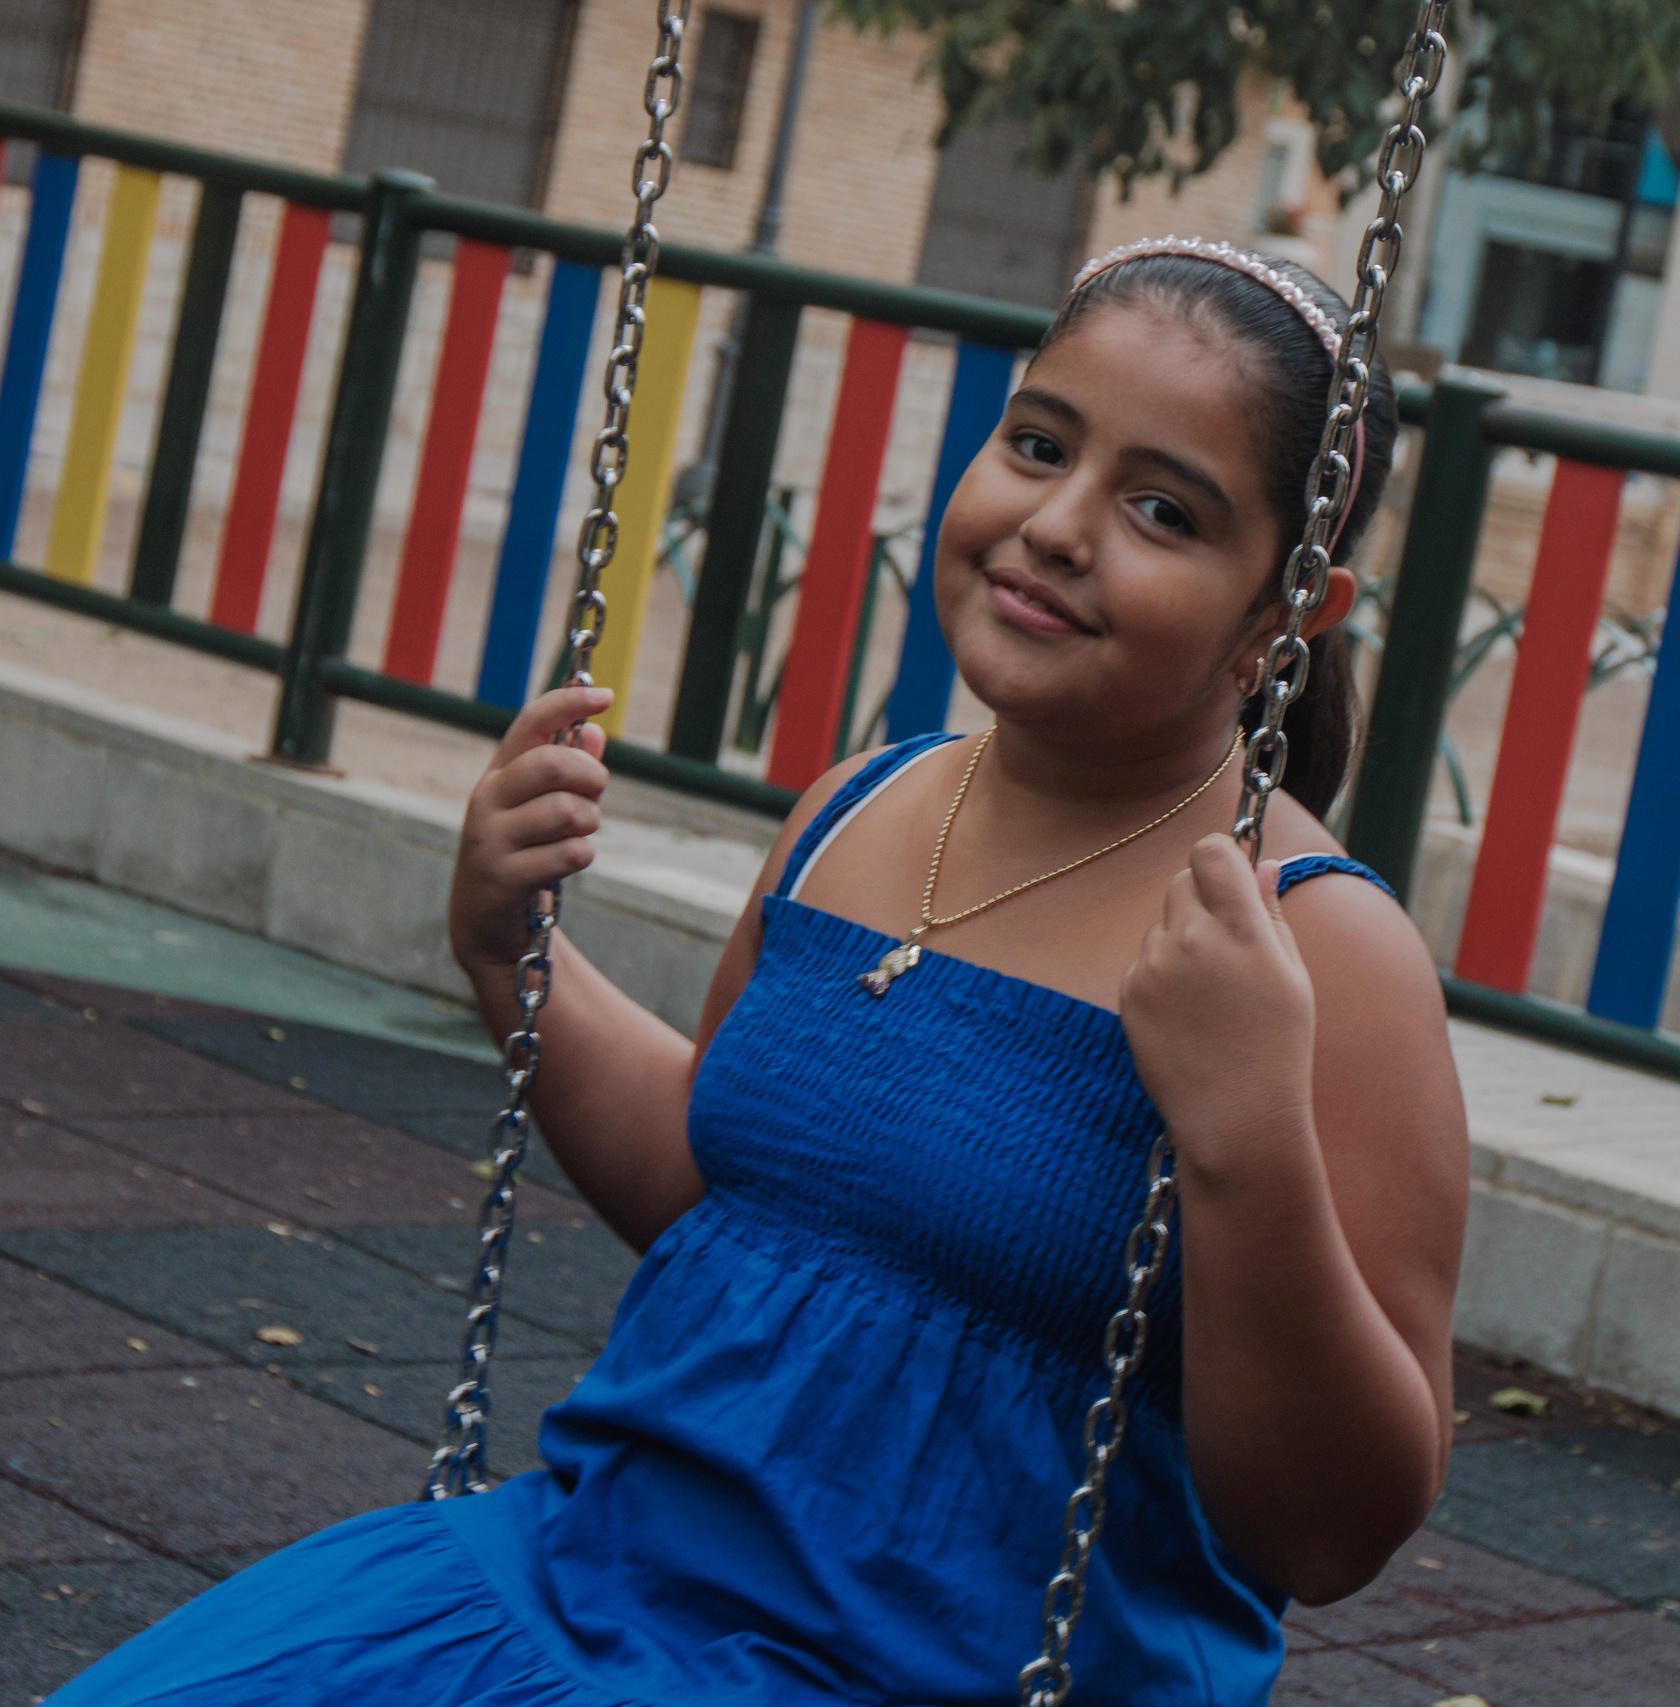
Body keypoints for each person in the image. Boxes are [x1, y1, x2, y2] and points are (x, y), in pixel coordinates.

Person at [48, 240, 1470, 1706]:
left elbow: (1329, 1532)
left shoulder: (1310, 949)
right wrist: (512, 952)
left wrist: (1248, 1144)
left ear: (1287, 611)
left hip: (937, 1669)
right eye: (1040, 445)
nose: (1054, 525)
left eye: (1162, 510)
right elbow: (723, 1194)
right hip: (599, 1573)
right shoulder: (863, 807)